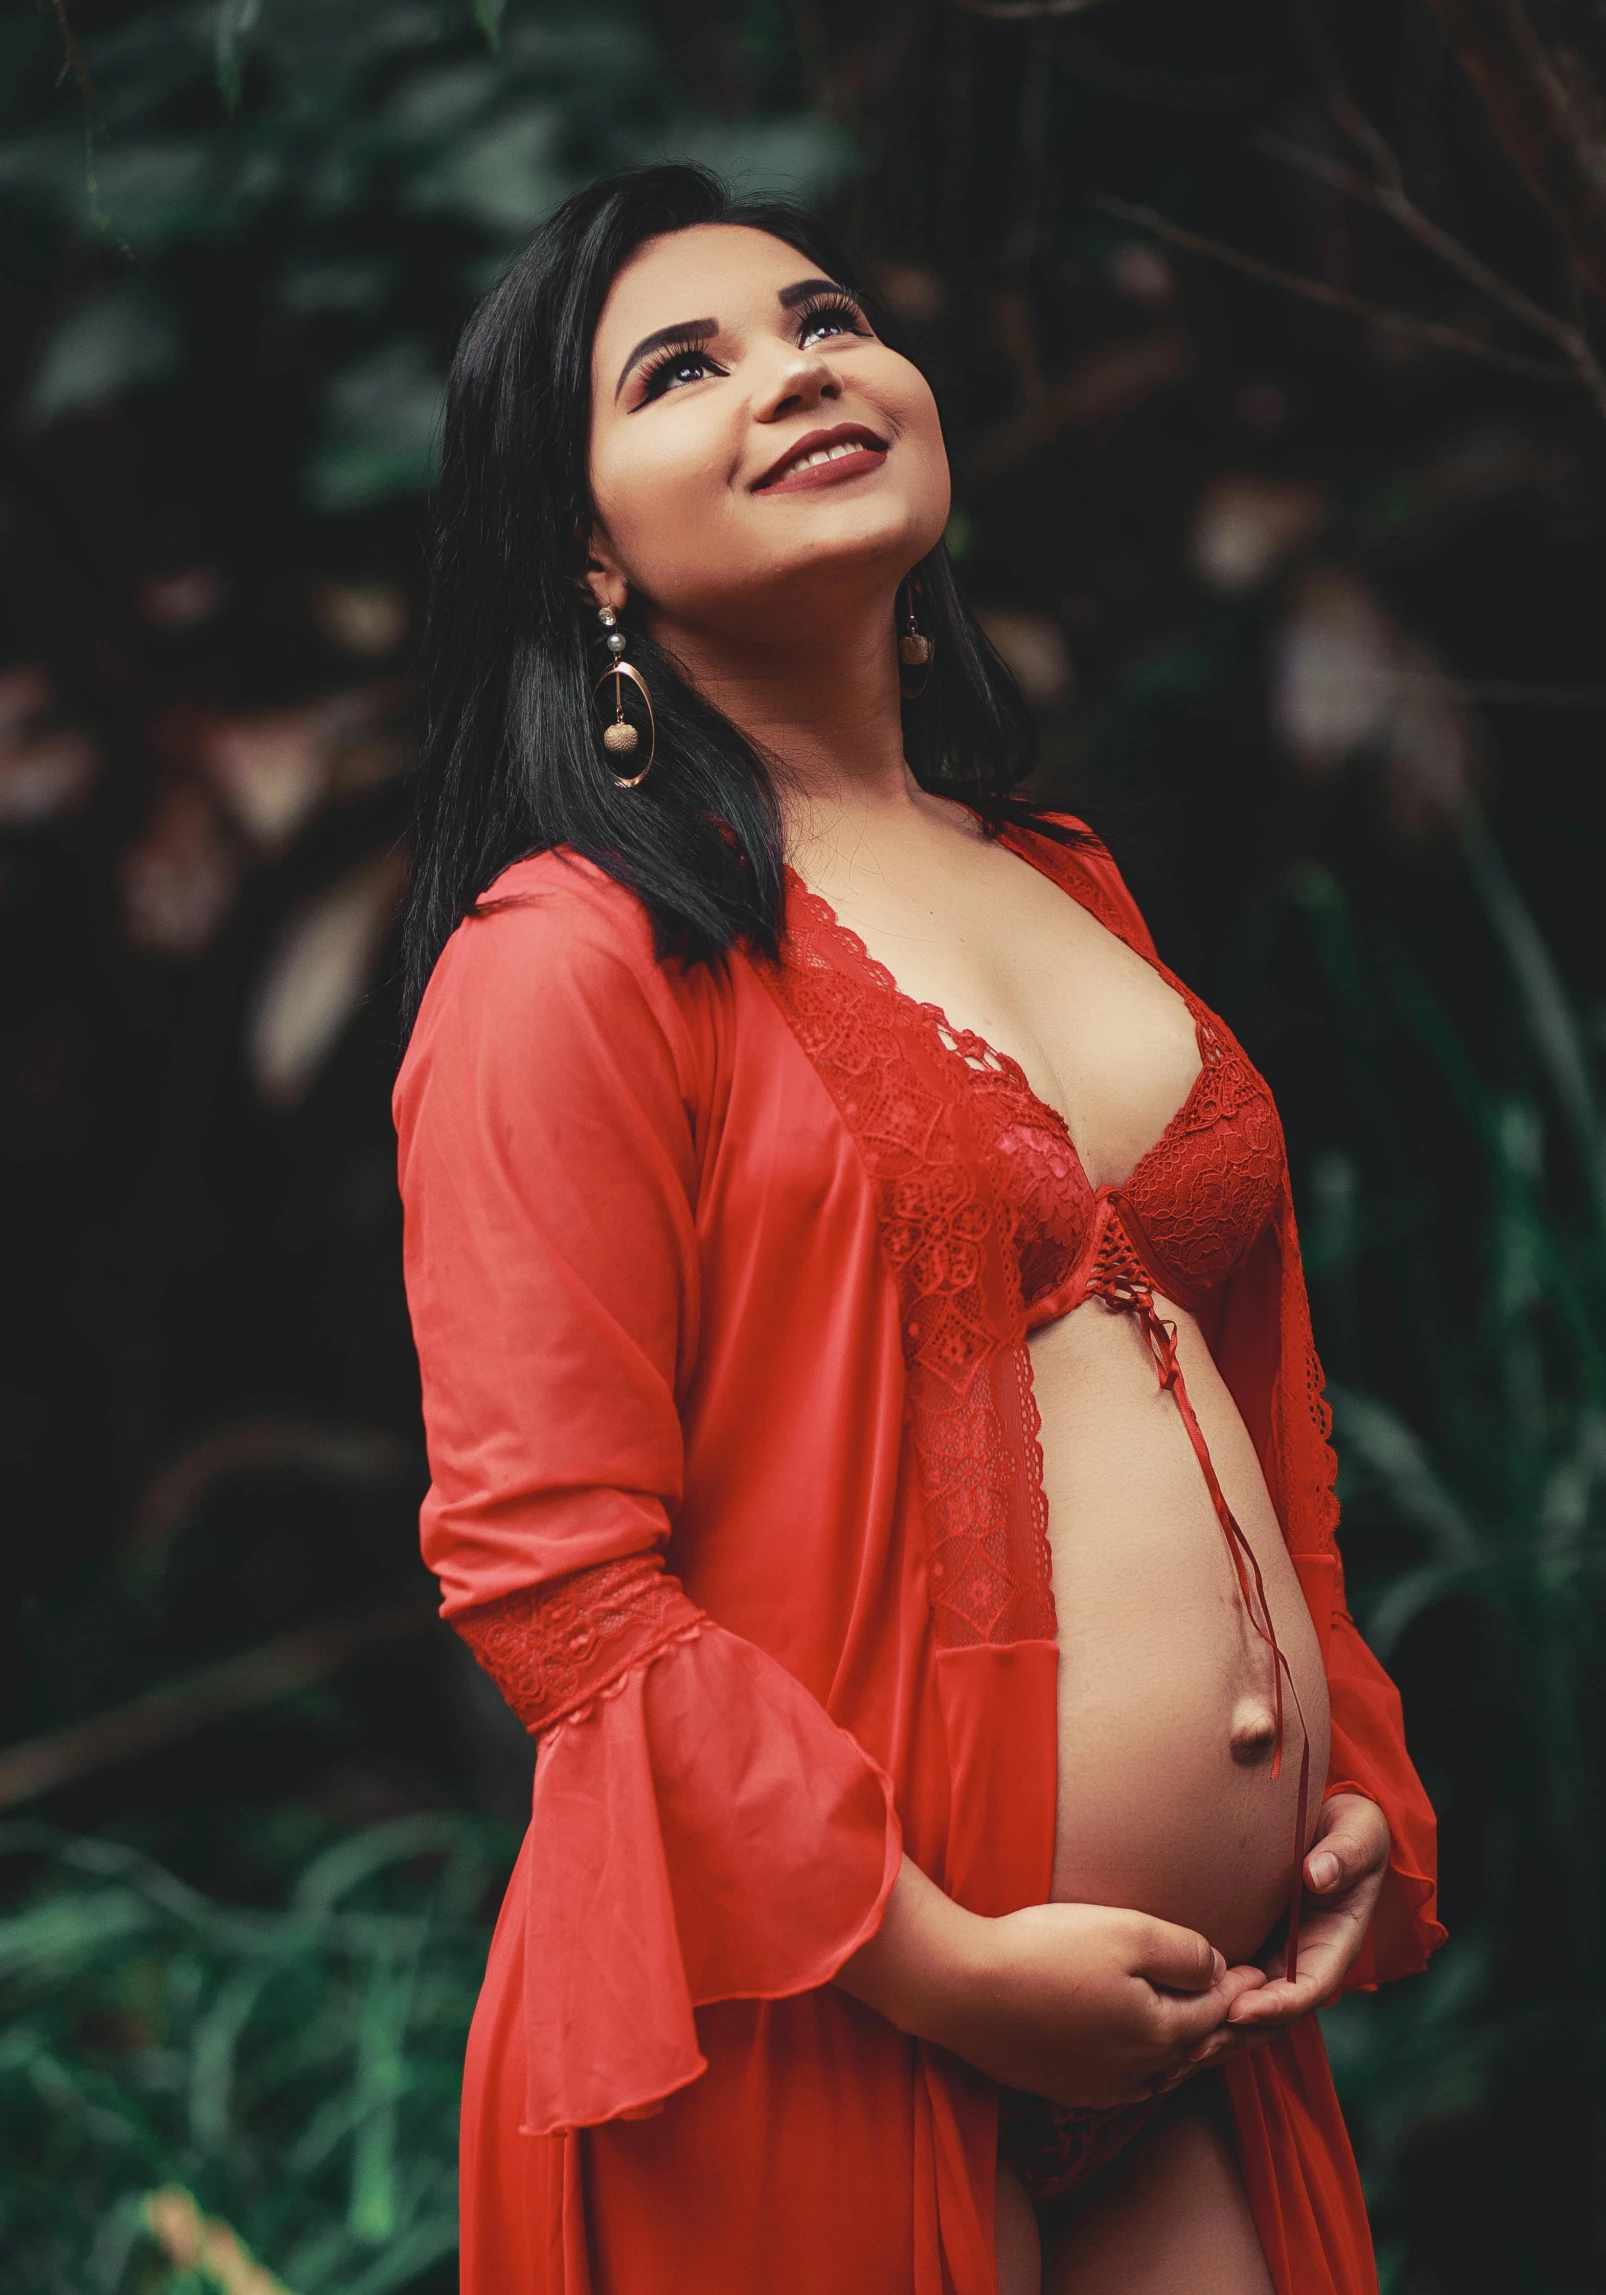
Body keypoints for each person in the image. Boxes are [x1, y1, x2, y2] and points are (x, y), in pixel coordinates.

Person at [394, 164, 1443, 2295]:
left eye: (822, 319)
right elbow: (556, 1586)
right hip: (820, 2013)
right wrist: (941, 1960)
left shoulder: (1066, 877)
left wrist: (1345, 1781)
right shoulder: (566, 959)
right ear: (584, 546)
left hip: (1182, 2033)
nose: (793, 371)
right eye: (681, 370)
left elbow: (1250, 1408)